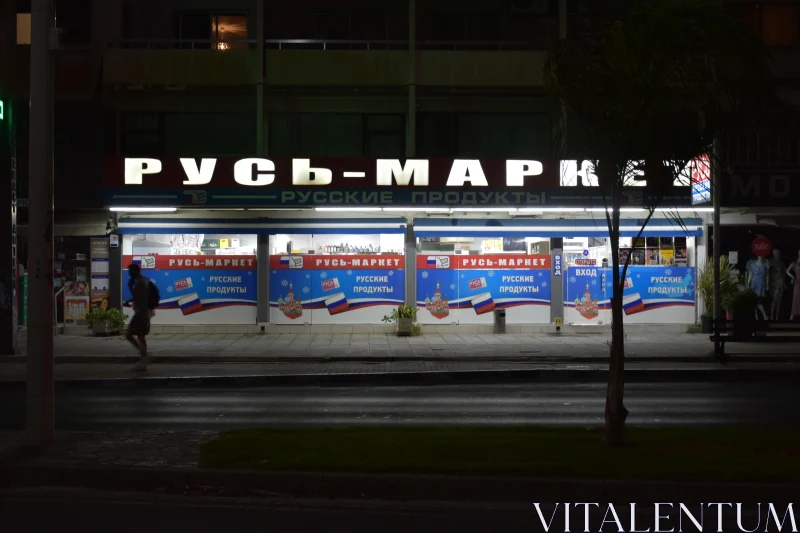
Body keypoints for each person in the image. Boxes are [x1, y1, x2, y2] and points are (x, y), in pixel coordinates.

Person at [125, 264, 153, 371]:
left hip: (141, 314)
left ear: (135, 271)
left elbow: (137, 296)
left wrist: (130, 287)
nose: (129, 273)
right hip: (144, 312)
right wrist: (129, 301)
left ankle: (145, 357)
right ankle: (143, 361)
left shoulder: (141, 282)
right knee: (141, 337)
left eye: (130, 271)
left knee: (129, 335)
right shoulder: (144, 281)